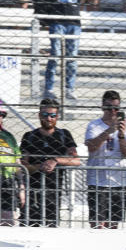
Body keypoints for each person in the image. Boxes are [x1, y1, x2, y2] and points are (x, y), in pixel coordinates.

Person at [35, 0, 93, 102]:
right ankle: (49, 88)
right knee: (55, 55)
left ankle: (69, 88)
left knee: (72, 57)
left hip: (74, 19)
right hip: (57, 18)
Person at [19, 97, 81, 226]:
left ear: (57, 116)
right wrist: (39, 167)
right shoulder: (29, 136)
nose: (49, 118)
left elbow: (76, 160)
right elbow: (23, 165)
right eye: (45, 115)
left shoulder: (64, 135)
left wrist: (55, 161)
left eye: (53, 115)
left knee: (51, 228)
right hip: (33, 192)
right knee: (29, 227)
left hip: (54, 191)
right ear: (39, 115)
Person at [83, 90, 126, 228]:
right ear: (102, 107)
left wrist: (121, 135)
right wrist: (109, 131)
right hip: (97, 181)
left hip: (118, 181)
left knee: (113, 225)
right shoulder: (94, 125)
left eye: (116, 108)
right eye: (109, 107)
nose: (112, 111)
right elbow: (92, 147)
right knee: (96, 224)